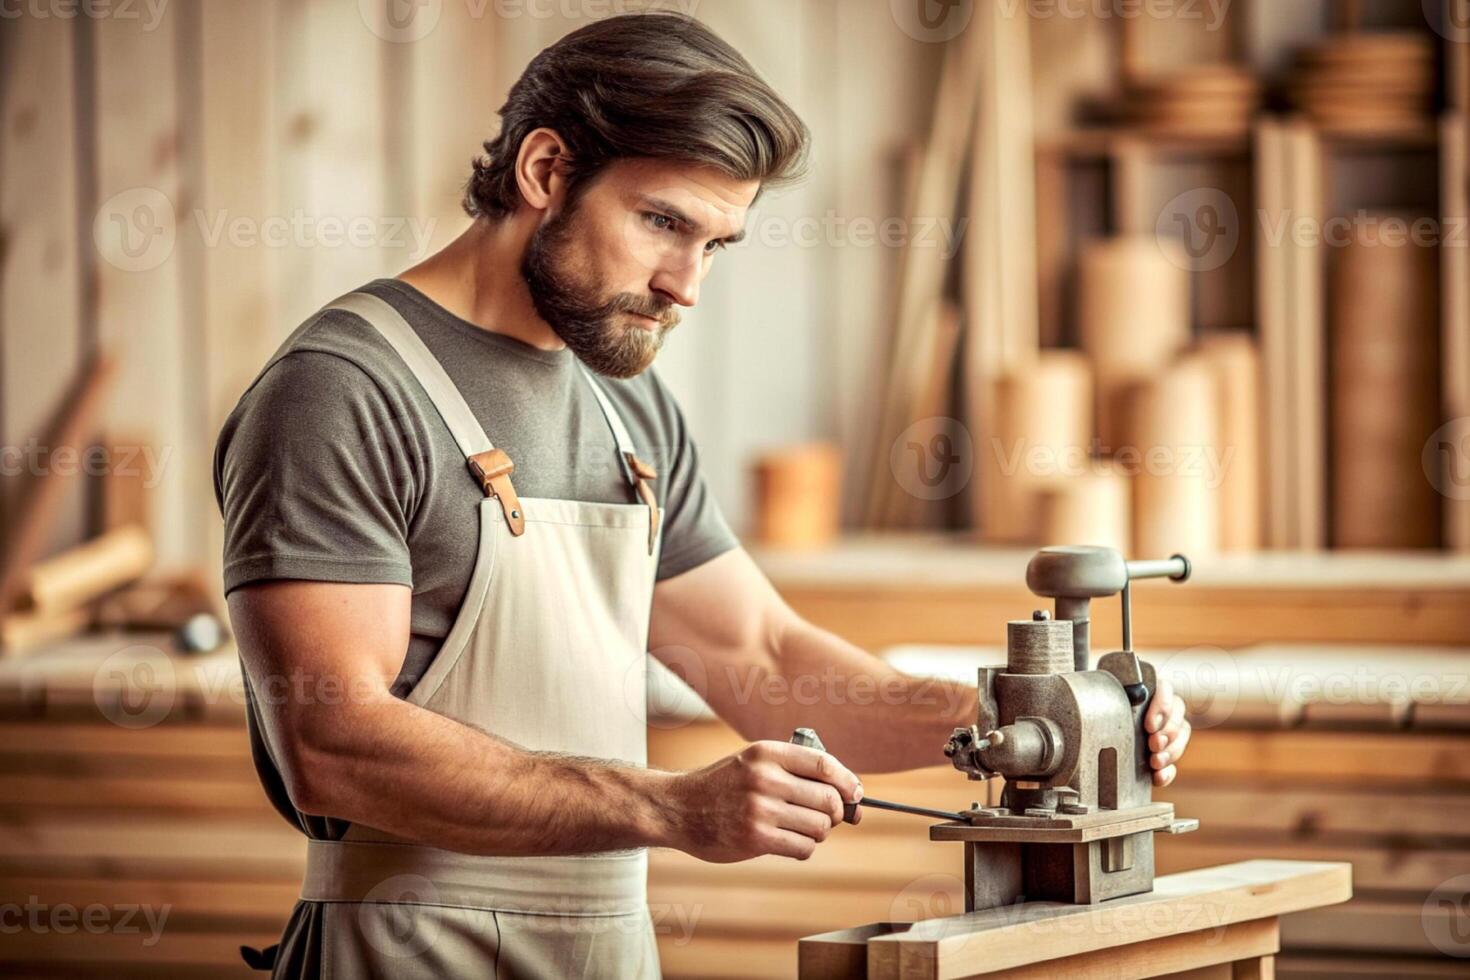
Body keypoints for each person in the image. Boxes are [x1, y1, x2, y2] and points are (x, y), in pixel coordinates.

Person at [215, 12, 1191, 978]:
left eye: (716, 244)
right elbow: (333, 740)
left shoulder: (627, 407)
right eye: (663, 222)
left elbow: (761, 655)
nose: (686, 283)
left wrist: (1045, 716)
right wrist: (670, 807)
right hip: (404, 949)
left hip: (609, 950)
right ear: (546, 171)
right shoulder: (340, 389)